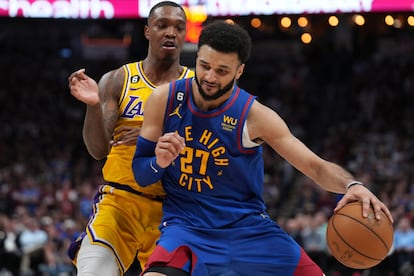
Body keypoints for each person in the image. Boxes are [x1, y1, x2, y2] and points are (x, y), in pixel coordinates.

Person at [132, 20, 394, 275]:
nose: (210, 77)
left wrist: (352, 185)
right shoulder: (164, 99)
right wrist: (159, 161)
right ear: (197, 58)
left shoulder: (255, 117)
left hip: (248, 230)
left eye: (222, 71)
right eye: (204, 66)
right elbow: (142, 174)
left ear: (239, 71)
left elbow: (314, 165)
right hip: (186, 228)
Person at [67, 1, 194, 275]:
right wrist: (93, 106)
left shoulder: (197, 88)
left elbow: (208, 142)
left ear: (185, 34)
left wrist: (147, 133)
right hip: (120, 203)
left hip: (175, 211)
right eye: (162, 26)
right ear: (148, 31)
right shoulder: (118, 80)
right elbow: (98, 150)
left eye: (178, 28)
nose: (171, 33)